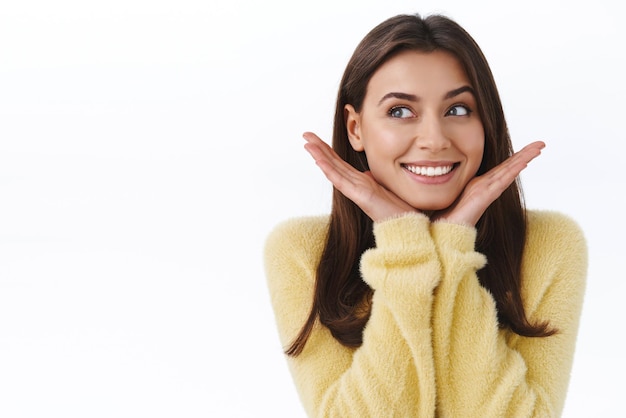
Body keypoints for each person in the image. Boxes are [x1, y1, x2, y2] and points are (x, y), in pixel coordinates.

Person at [264, 13, 586, 418]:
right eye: (400, 111)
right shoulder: (301, 253)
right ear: (355, 127)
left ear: (486, 121)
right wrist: (404, 245)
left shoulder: (550, 243)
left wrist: (452, 249)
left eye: (458, 109)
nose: (434, 140)